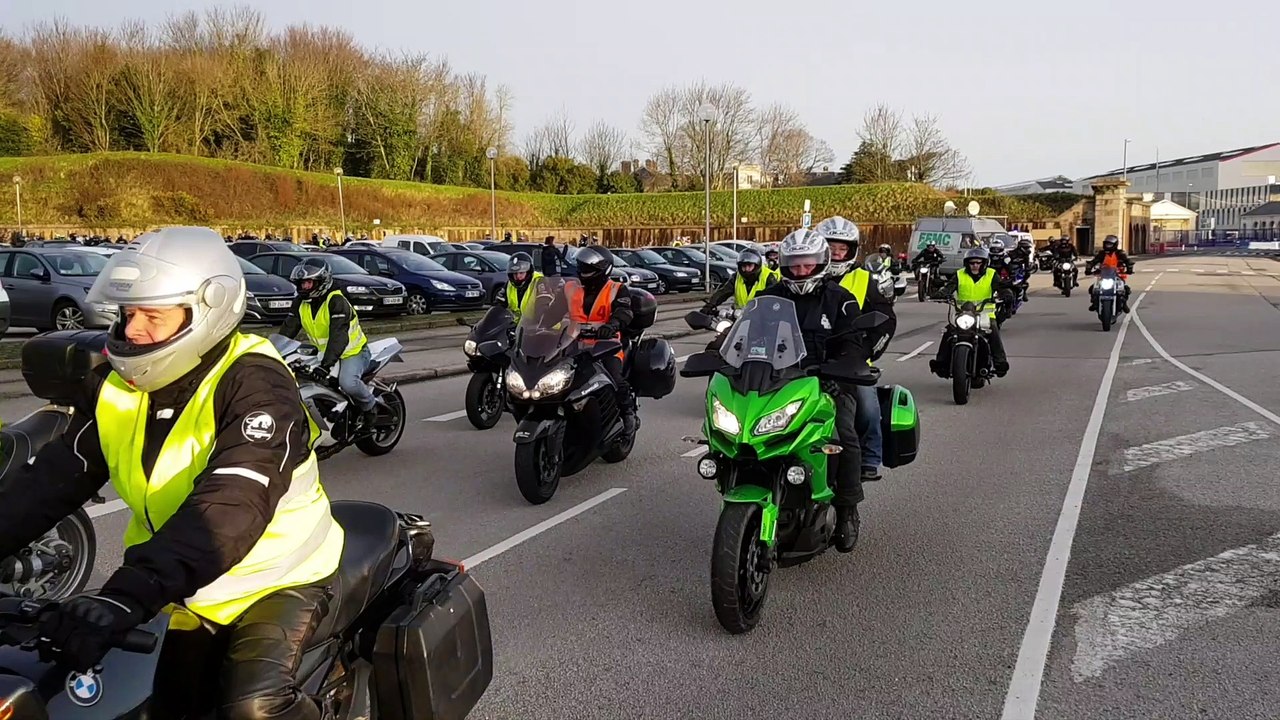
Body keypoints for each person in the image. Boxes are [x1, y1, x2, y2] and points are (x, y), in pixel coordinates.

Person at [0, 226, 344, 719]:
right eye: (127, 314)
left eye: (151, 316)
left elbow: (230, 505)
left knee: (253, 708)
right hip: (178, 581)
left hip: (275, 577)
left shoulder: (255, 383)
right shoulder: (118, 387)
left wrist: (125, 595)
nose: (133, 330)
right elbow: (50, 480)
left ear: (207, 311)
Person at [757, 228, 875, 552]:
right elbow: (745, 334)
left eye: (807, 264)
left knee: (843, 434)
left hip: (827, 383)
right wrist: (718, 354)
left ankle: (848, 508)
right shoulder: (769, 297)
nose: (800, 271)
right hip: (777, 382)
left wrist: (843, 367)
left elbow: (854, 342)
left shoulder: (840, 299)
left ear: (820, 263)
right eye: (794, 265)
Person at [816, 216, 897, 483]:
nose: (836, 253)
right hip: (806, 357)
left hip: (851, 359)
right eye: (830, 247)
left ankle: (870, 457)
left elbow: (885, 320)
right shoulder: (804, 274)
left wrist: (863, 355)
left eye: (841, 248)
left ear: (851, 250)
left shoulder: (865, 279)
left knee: (866, 406)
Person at [280, 258, 377, 428]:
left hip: (352, 352)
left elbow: (338, 336)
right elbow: (287, 331)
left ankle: (370, 406)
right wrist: (271, 355)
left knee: (348, 383)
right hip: (324, 353)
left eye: (308, 283)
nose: (304, 287)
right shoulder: (300, 303)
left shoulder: (336, 301)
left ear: (321, 281)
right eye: (301, 283)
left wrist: (325, 366)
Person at [567, 245, 637, 433]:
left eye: (587, 269)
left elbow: (625, 312)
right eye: (581, 267)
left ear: (602, 270)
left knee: (614, 379)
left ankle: (627, 413)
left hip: (606, 346)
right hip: (573, 345)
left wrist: (612, 325)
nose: (583, 272)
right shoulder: (571, 288)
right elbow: (553, 309)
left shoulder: (617, 289)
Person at [931, 246, 1011, 377]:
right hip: (962, 312)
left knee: (994, 331)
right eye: (971, 262)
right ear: (967, 263)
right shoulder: (959, 274)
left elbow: (1001, 287)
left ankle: (1000, 363)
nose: (974, 265)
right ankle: (941, 365)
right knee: (948, 332)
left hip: (984, 313)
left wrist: (1006, 294)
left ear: (984, 263)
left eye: (978, 263)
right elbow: (949, 287)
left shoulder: (991, 274)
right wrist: (941, 294)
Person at [1086, 234, 1135, 312]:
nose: (1108, 246)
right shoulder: (1102, 253)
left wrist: (1129, 267)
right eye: (1107, 244)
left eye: (1110, 244)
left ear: (1115, 244)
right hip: (1104, 274)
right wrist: (1089, 267)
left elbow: (1127, 260)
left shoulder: (1120, 253)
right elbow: (1094, 261)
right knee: (1093, 288)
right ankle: (1094, 303)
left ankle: (1124, 304)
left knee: (1124, 289)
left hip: (1117, 274)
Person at [493, 251, 542, 321]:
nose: (518, 276)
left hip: (538, 326)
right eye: (514, 273)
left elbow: (545, 307)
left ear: (528, 271)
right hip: (517, 326)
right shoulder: (509, 284)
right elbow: (499, 305)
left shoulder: (540, 282)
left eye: (521, 273)